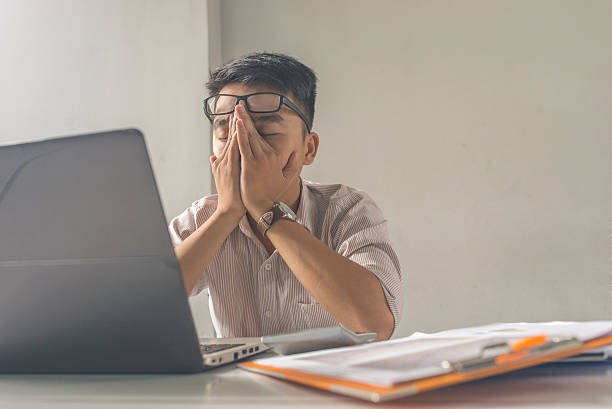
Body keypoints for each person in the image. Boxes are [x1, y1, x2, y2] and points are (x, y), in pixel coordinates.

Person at [169, 52, 402, 340]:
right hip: (238, 385)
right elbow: (142, 312)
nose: (241, 146)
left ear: (308, 149)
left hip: (330, 383)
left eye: (264, 132)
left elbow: (375, 325)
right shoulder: (200, 218)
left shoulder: (347, 211)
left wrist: (268, 210)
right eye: (225, 132)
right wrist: (226, 213)